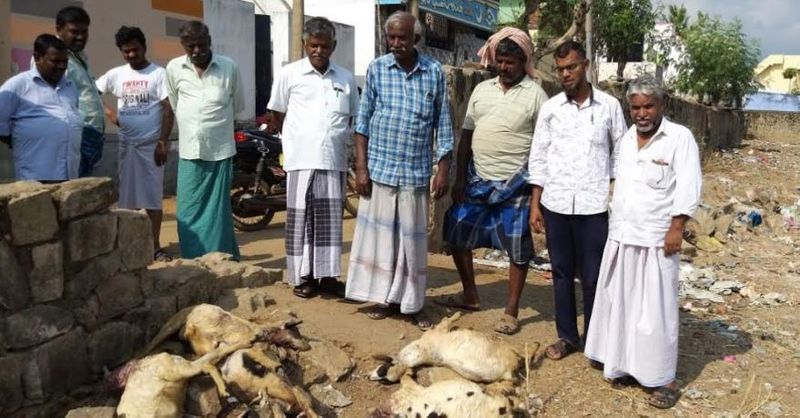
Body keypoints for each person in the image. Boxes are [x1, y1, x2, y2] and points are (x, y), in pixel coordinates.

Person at [584, 76, 702, 409]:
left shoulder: (679, 138)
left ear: (661, 105)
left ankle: (663, 379)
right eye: (635, 107)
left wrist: (676, 228)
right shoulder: (625, 140)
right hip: (622, 235)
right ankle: (622, 365)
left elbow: (689, 186)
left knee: (656, 312)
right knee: (621, 304)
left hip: (657, 238)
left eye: (648, 106)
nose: (642, 113)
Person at [344, 11, 454, 330]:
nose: (395, 43)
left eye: (401, 37)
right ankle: (383, 299)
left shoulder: (433, 72)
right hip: (380, 169)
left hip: (415, 173)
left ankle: (412, 303)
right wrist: (361, 168)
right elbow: (363, 123)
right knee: (381, 242)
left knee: (412, 245)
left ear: (415, 38)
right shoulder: (377, 68)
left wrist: (442, 170)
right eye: (390, 37)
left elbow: (444, 126)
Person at [442, 27, 548, 335]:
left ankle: (511, 311)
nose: (503, 67)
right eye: (500, 61)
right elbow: (466, 137)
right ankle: (470, 295)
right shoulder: (481, 90)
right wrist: (459, 179)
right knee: (456, 229)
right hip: (477, 179)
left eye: (510, 62)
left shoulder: (536, 95)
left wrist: (538, 198)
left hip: (516, 184)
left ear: (523, 62)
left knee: (517, 247)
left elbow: (544, 147)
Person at [528, 41, 627, 360]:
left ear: (586, 65)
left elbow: (621, 153)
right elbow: (538, 157)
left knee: (594, 276)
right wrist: (535, 203)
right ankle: (567, 336)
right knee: (560, 272)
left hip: (593, 206)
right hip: (555, 203)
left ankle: (596, 341)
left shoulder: (609, 107)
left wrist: (614, 193)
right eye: (560, 69)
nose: (565, 74)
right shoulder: (551, 109)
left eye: (571, 67)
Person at [266, 17, 358, 298]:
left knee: (329, 222)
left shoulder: (345, 78)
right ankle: (304, 277)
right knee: (302, 220)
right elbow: (276, 113)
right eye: (314, 45)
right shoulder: (289, 74)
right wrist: (295, 140)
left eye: (325, 46)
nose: (319, 51)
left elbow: (353, 118)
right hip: (301, 160)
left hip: (333, 161)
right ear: (304, 44)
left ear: (334, 46)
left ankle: (327, 277)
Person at [166, 21, 244, 259]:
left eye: (201, 45)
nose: (197, 51)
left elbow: (237, 105)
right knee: (187, 210)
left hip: (220, 151)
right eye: (191, 46)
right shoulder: (174, 68)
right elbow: (174, 103)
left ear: (210, 42)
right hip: (189, 150)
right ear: (183, 46)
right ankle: (194, 259)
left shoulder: (228, 67)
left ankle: (220, 260)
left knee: (217, 213)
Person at [96, 26, 175, 261]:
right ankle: (128, 247)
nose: (131, 55)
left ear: (144, 47)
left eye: (135, 50)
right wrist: (109, 114)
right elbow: (91, 91)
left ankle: (155, 247)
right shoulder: (116, 74)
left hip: (151, 147)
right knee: (127, 199)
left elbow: (168, 110)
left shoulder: (158, 74)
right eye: (126, 51)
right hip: (126, 147)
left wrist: (163, 142)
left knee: (152, 198)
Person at [0, 34, 81, 181]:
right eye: (55, 61)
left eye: (65, 61)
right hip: (35, 179)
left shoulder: (70, 87)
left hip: (69, 177)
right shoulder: (17, 86)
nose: (62, 66)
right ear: (37, 58)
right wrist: (25, 139)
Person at [55, 5, 105, 177]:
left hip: (91, 134)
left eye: (84, 31)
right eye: (74, 32)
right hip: (76, 134)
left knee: (85, 187)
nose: (80, 37)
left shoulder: (78, 56)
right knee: (73, 186)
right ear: (59, 29)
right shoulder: (53, 58)